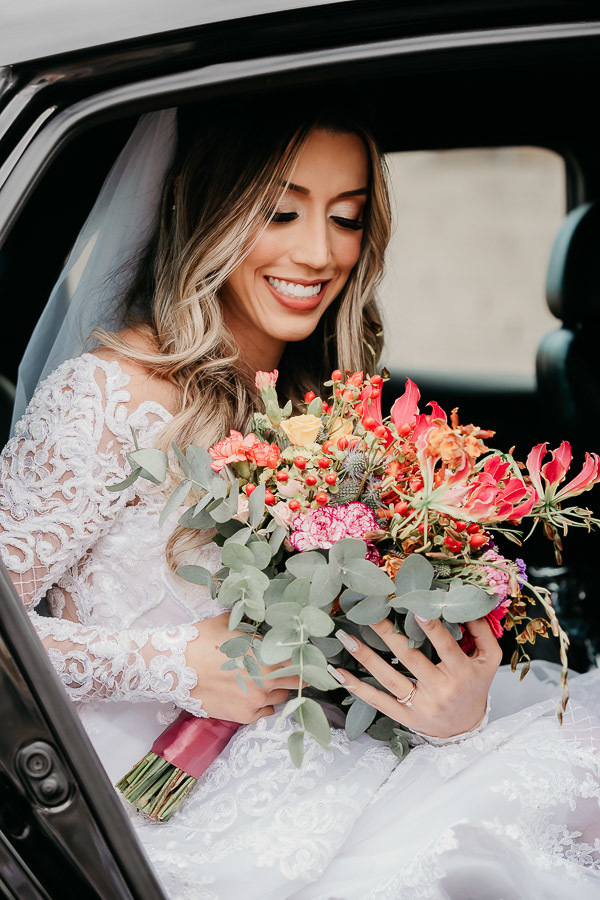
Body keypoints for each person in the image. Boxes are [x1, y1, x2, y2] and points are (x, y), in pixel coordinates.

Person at [0, 104, 599, 900]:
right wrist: (179, 663)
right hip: (153, 817)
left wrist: (441, 702)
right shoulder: (108, 399)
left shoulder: (334, 408)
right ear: (196, 206)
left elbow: (348, 650)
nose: (319, 252)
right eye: (279, 212)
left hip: (323, 767)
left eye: (346, 218)